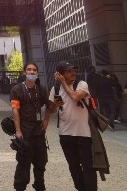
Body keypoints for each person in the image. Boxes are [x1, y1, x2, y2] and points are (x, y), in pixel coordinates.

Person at [50, 61, 97, 191]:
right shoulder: (55, 89)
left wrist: (63, 82)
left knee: (88, 166)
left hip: (82, 133)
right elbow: (52, 110)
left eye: (73, 70)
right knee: (73, 166)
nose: (73, 73)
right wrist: (55, 104)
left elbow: (75, 97)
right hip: (65, 134)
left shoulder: (81, 84)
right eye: (69, 71)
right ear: (60, 74)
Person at [10, 62, 51, 191]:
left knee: (41, 161)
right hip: (24, 130)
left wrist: (46, 120)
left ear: (37, 73)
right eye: (29, 70)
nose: (32, 72)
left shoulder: (41, 89)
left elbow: (49, 106)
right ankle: (20, 187)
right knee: (23, 162)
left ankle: (39, 185)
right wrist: (18, 130)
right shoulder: (17, 89)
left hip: (39, 130)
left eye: (34, 70)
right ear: (24, 72)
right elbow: (15, 110)